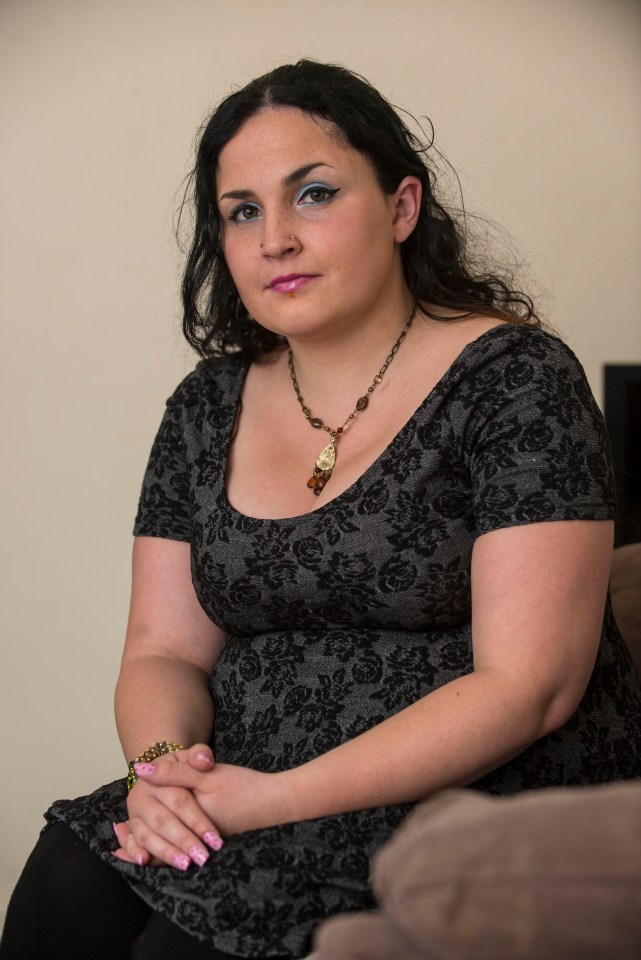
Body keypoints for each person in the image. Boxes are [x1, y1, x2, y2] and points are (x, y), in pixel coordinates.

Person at [2, 59, 640, 960]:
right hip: (242, 780)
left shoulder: (515, 380)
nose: (274, 239)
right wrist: (160, 776)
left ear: (401, 207)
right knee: (64, 889)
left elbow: (527, 687)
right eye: (243, 211)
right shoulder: (205, 404)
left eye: (313, 194)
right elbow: (162, 649)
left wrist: (274, 798)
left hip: (467, 788)